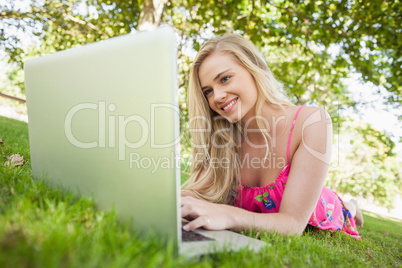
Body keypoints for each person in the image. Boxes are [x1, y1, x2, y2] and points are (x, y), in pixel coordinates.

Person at [181, 33, 363, 239]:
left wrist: (229, 214)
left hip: (324, 207)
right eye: (208, 91)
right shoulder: (222, 138)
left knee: (343, 209)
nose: (217, 97)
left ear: (253, 68)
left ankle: (352, 205)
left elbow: (292, 224)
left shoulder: (311, 122)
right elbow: (192, 195)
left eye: (225, 79)